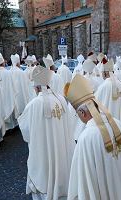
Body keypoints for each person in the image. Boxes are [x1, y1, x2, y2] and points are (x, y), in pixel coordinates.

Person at [65, 74, 121, 200]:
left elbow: (84, 181)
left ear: (82, 112)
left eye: (77, 114)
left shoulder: (86, 138)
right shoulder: (118, 124)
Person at [18, 65, 75, 200]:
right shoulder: (61, 99)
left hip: (43, 149)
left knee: (44, 171)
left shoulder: (34, 104)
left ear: (37, 87)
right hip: (62, 145)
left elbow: (25, 130)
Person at [95, 58, 121, 140]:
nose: (101, 74)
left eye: (102, 72)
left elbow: (96, 103)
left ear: (105, 72)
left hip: (109, 125)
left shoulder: (104, 86)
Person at [0, 51, 17, 130]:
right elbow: (13, 86)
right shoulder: (8, 73)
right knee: (7, 106)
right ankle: (9, 127)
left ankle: (0, 128)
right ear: (3, 62)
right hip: (7, 96)